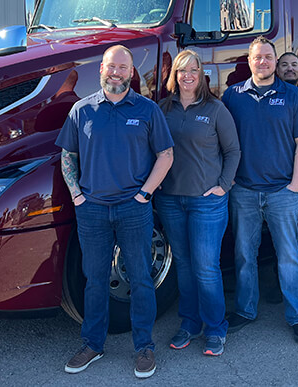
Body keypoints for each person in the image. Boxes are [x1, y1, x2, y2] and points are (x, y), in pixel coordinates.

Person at [56, 45, 174, 378]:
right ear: (101, 70)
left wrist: (144, 194)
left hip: (133, 210)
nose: (117, 72)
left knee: (140, 278)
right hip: (91, 210)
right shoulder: (82, 110)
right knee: (94, 281)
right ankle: (92, 344)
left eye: (123, 67)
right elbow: (69, 157)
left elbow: (166, 155)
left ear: (132, 72)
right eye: (112, 66)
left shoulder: (148, 110)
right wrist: (77, 196)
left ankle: (144, 348)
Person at [221, 36, 298, 344]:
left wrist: (295, 186)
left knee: (289, 255)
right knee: (244, 255)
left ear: (275, 61)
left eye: (267, 57)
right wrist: (231, 180)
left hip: (282, 192)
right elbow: (221, 141)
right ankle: (246, 310)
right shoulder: (232, 96)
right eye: (257, 57)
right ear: (248, 62)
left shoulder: (292, 96)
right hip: (244, 191)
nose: (262, 61)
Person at [154, 50, 240, 356]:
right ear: (174, 76)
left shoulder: (215, 109)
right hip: (171, 200)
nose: (187, 75)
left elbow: (233, 151)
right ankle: (189, 323)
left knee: (206, 267)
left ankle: (216, 328)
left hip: (207, 202)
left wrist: (222, 186)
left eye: (193, 70)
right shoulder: (163, 108)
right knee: (185, 266)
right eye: (181, 70)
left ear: (201, 74)